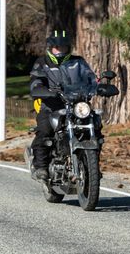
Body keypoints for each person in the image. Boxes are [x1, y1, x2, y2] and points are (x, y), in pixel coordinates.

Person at [28, 30, 98, 182]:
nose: (59, 51)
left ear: (69, 48)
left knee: (96, 126)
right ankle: (40, 167)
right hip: (51, 106)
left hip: (76, 106)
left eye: (63, 48)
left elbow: (90, 76)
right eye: (56, 48)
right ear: (50, 48)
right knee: (44, 130)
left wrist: (99, 85)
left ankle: (91, 167)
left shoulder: (77, 61)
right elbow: (35, 81)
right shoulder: (42, 63)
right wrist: (42, 89)